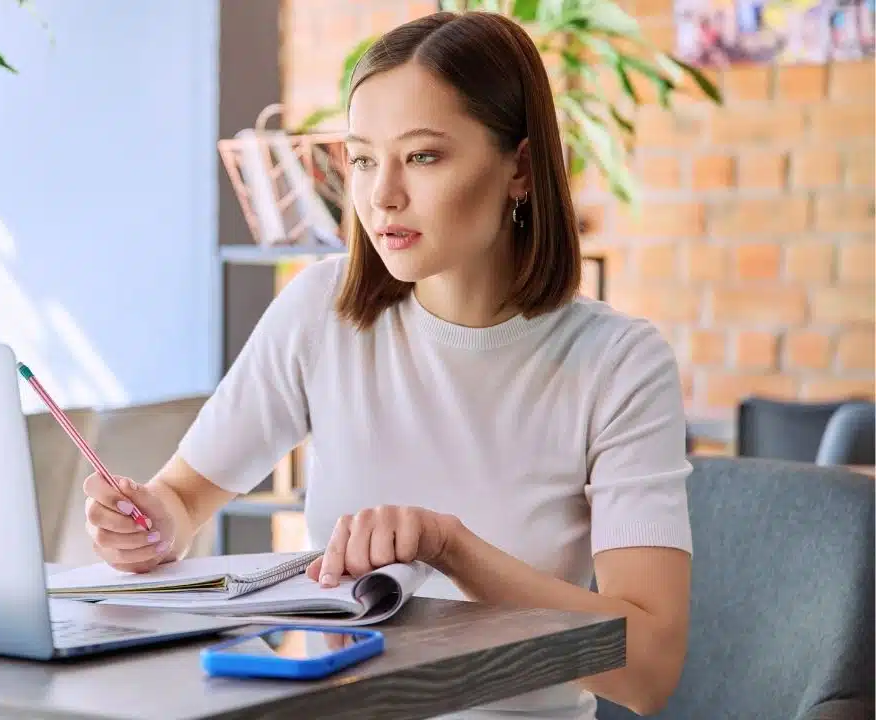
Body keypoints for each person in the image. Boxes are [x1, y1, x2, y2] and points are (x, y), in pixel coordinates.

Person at [81, 11, 692, 720]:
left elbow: (649, 670)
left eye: (423, 156)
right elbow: (182, 502)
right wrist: (151, 521)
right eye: (364, 158)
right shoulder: (323, 310)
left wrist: (450, 548)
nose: (381, 195)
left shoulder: (618, 364)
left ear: (519, 169)